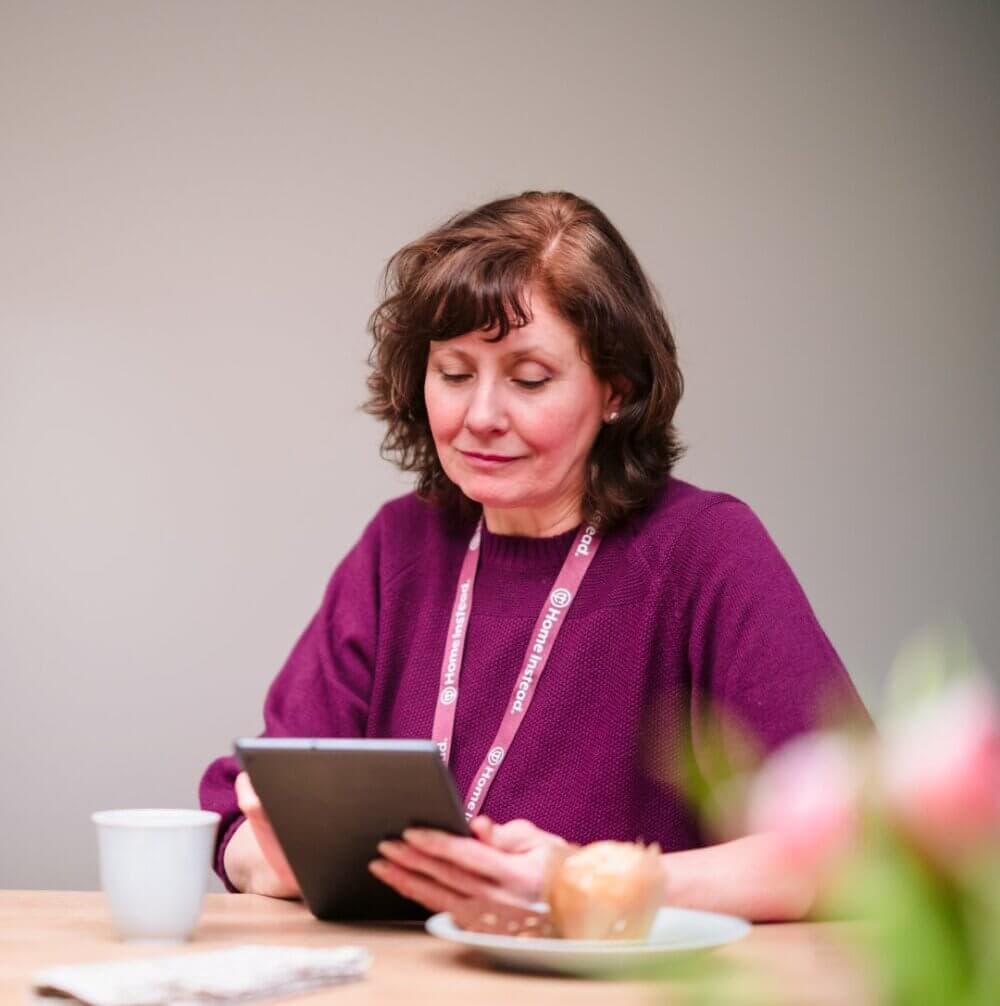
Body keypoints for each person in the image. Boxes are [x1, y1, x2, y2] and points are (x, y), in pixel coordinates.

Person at [199, 190, 869, 922]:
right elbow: (241, 815)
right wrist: (277, 858)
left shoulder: (704, 551)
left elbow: (858, 848)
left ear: (616, 388)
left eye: (528, 379)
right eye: (454, 374)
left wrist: (581, 880)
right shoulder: (399, 547)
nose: (481, 416)